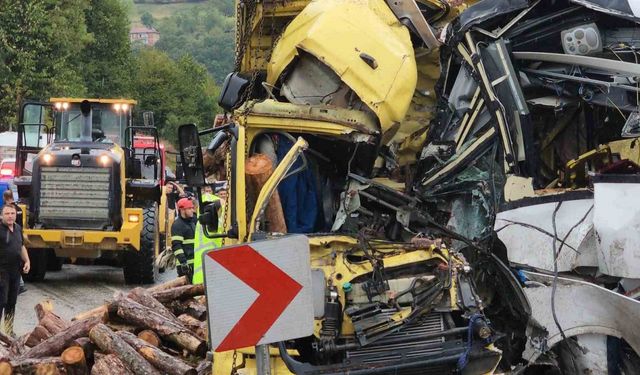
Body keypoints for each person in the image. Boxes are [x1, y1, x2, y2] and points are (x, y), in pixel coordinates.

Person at [0, 204, 30, 336]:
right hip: (2, 271)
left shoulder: (18, 228)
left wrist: (27, 260)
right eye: (7, 214)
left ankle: (8, 330)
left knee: (12, 301)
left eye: (12, 213)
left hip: (15, 271)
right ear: (2, 216)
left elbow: (21, 246)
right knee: (2, 300)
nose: (10, 216)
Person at [2, 190, 26, 295]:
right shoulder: (19, 209)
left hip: (10, 235)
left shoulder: (4, 210)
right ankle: (20, 284)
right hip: (18, 235)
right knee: (16, 260)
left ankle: (18, 284)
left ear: (4, 198)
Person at [171, 198, 196, 279]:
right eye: (189, 208)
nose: (192, 210)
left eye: (192, 208)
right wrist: (183, 262)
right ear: (182, 210)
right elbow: (176, 246)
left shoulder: (192, 222)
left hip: (195, 263)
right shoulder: (178, 225)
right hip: (185, 265)